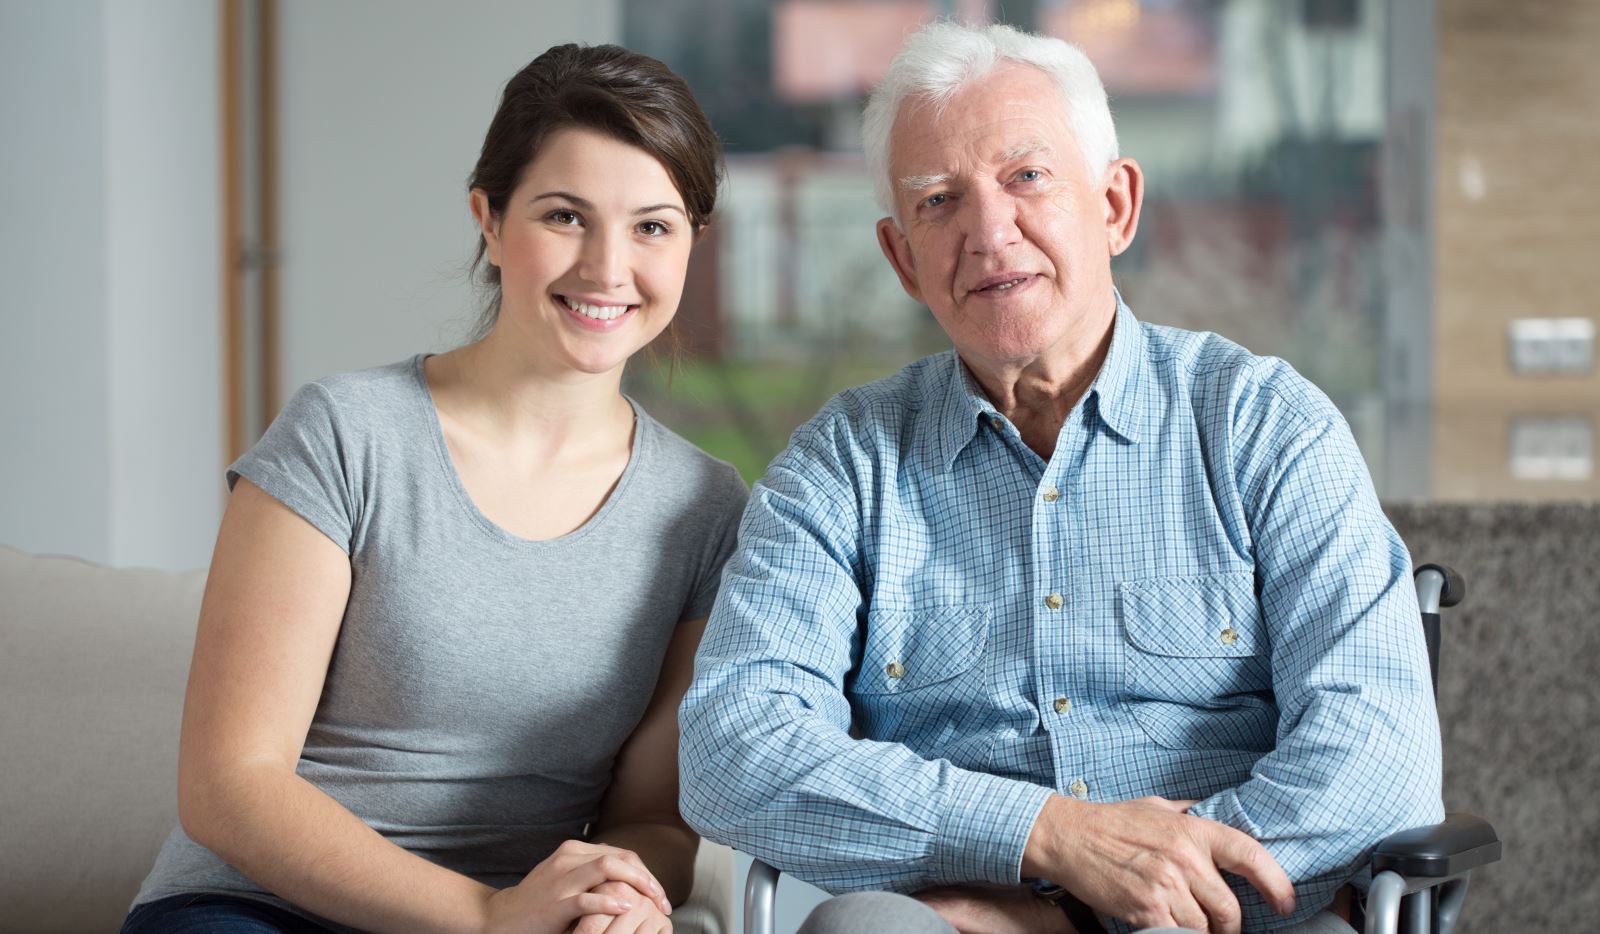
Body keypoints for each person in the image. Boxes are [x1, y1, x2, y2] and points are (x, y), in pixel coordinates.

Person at [679, 21, 1441, 934]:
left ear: (1116, 205)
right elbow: (732, 750)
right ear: (901, 258)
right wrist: (1043, 835)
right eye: (938, 200)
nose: (988, 230)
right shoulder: (841, 466)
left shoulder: (1265, 428)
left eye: (1026, 177)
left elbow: (1379, 758)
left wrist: (1109, 900)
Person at [122, 43, 747, 934]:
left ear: (692, 245)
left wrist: (613, 895)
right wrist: (489, 914)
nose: (609, 269)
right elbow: (229, 785)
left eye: (652, 226)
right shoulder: (345, 434)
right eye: (565, 216)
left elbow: (651, 818)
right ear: (488, 220)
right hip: (255, 907)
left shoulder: (705, 510)